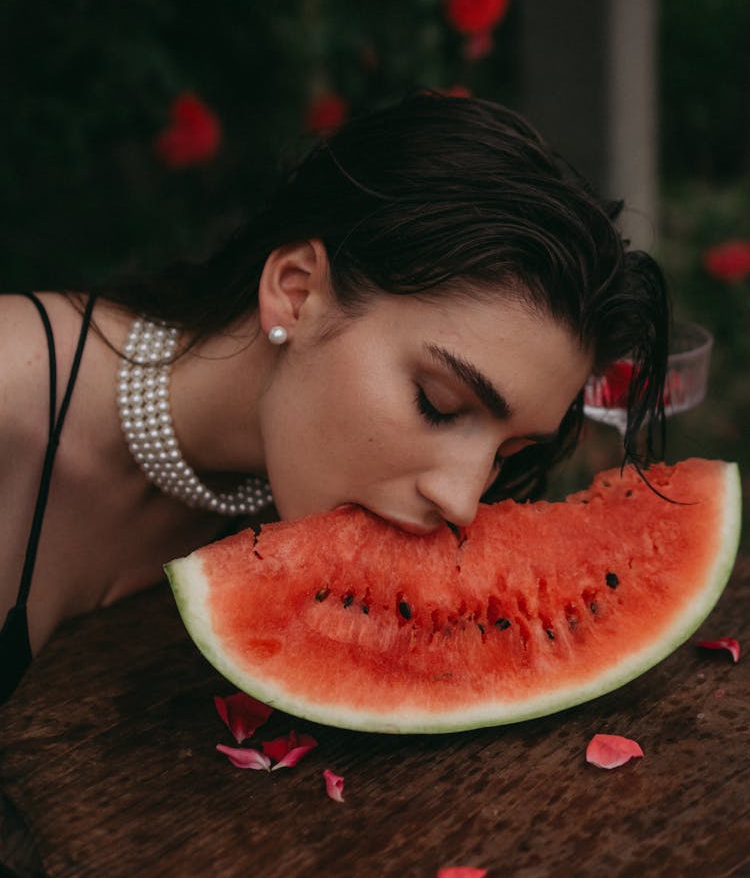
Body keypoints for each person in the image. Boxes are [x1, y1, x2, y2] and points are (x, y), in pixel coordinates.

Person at [0, 93, 669, 704]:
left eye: (509, 450)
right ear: (296, 289)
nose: (464, 501)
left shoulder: (288, 482)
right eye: (436, 402)